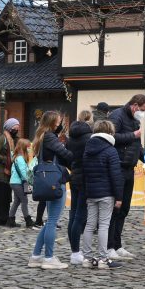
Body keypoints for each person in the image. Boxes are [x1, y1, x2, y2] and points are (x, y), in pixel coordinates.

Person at [28, 110, 73, 270]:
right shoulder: (49, 137)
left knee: (49, 222)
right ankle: (48, 257)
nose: (60, 123)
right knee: (53, 221)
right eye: (59, 121)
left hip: (47, 180)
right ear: (53, 122)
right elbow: (65, 154)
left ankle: (35, 256)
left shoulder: (42, 136)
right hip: (56, 180)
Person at [106, 94, 145, 261]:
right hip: (118, 167)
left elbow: (137, 146)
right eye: (142, 110)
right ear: (135, 106)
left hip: (129, 168)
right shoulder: (117, 115)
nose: (142, 113)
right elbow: (111, 137)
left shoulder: (134, 120)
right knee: (114, 209)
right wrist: (133, 135)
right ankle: (109, 246)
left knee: (124, 210)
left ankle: (118, 245)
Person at [81, 119, 124, 269]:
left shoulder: (87, 149)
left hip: (91, 192)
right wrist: (119, 197)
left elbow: (85, 172)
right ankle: (103, 259)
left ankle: (86, 258)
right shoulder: (110, 150)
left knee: (89, 225)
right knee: (104, 226)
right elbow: (116, 175)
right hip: (106, 193)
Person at [64, 110, 93, 264]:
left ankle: (74, 249)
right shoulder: (89, 138)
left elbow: (66, 157)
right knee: (80, 215)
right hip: (86, 178)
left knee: (73, 213)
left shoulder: (70, 139)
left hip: (74, 176)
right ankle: (76, 253)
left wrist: (73, 167)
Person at [0, 118, 18, 226]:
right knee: (3, 197)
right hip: (1, 172)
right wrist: (6, 160)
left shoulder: (12, 139)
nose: (17, 129)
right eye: (15, 127)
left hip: (7, 172)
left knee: (2, 196)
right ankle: (2, 219)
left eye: (18, 127)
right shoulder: (3, 138)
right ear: (10, 128)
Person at [8, 137, 34, 229]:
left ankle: (11, 219)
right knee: (24, 200)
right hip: (17, 183)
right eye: (27, 147)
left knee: (17, 201)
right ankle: (28, 220)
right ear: (23, 148)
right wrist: (30, 179)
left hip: (14, 182)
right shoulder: (20, 159)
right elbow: (23, 173)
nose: (29, 149)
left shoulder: (17, 157)